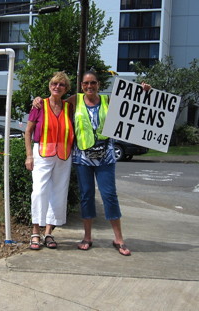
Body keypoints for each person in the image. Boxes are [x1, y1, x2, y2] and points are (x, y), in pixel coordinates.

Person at [33, 70, 151, 256]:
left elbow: (131, 107)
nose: (90, 86)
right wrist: (38, 100)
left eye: (93, 83)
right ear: (81, 86)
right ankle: (87, 237)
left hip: (106, 158)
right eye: (86, 83)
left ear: (98, 84)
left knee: (109, 195)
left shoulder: (107, 101)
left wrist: (143, 92)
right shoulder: (74, 100)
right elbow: (53, 101)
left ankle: (118, 238)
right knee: (86, 196)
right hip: (82, 159)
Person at [25, 71, 74, 250]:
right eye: (54, 83)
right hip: (42, 153)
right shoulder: (39, 105)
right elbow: (28, 132)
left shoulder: (69, 106)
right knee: (39, 191)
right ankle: (35, 232)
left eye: (61, 85)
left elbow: (89, 96)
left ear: (66, 89)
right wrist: (29, 155)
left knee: (58, 193)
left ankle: (48, 233)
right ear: (49, 86)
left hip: (64, 155)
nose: (57, 87)